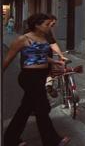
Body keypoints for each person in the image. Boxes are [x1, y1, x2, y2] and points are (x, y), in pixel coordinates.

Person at [3, 13, 70, 146]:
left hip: (40, 77)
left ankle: (10, 139)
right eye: (46, 24)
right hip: (29, 77)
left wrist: (56, 62)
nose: (49, 27)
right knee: (42, 108)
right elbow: (8, 59)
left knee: (26, 108)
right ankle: (52, 141)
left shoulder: (44, 37)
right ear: (37, 25)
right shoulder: (23, 39)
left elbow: (41, 56)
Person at [44, 14, 68, 97]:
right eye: (53, 24)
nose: (53, 26)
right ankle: (48, 86)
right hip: (44, 57)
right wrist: (61, 55)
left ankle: (47, 87)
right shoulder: (46, 30)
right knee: (50, 72)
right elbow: (52, 44)